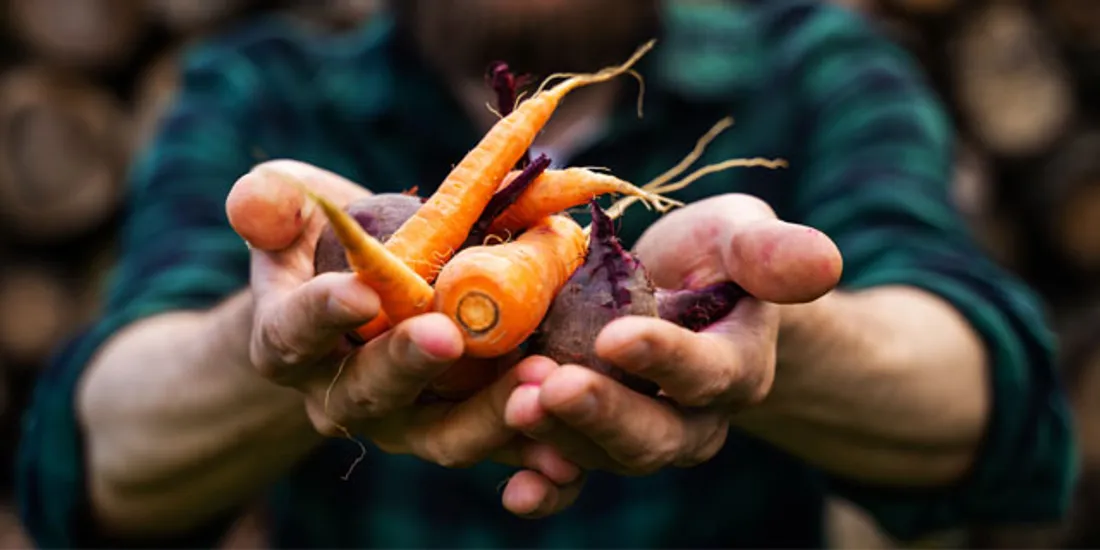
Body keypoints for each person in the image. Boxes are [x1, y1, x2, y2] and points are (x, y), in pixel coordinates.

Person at [16, 0, 1077, 548]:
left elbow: (1003, 407)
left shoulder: (817, 66)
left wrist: (771, 339)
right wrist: (281, 346)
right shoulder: (263, 89)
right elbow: (91, 455)